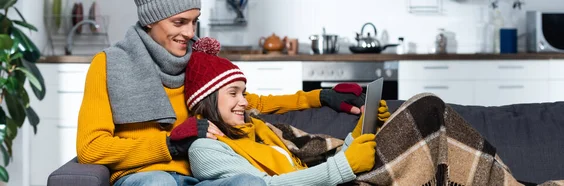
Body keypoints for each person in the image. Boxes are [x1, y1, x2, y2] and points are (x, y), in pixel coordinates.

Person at [75, 1, 365, 185]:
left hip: (200, 174)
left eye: (194, 21)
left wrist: (319, 97)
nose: (190, 33)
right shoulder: (109, 64)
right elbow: (91, 149)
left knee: (247, 183)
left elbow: (245, 102)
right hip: (143, 177)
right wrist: (169, 146)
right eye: (179, 22)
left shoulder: (196, 61)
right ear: (151, 20)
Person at [179, 40, 390, 185]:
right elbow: (265, 185)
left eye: (243, 93)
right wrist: (344, 166)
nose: (243, 102)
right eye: (233, 93)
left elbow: (308, 176)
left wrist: (362, 127)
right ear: (207, 100)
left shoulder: (260, 130)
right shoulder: (205, 148)